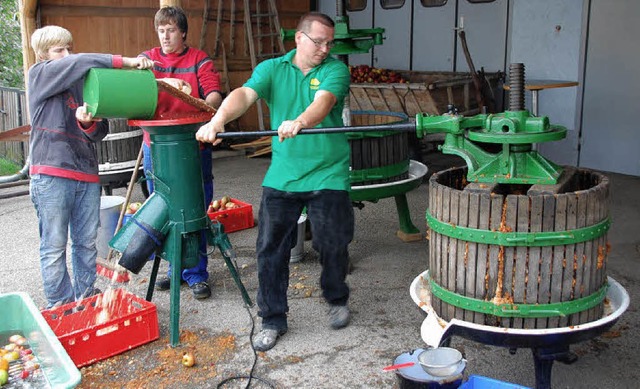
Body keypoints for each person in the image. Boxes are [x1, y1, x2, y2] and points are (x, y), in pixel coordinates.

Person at [196, 12, 354, 351]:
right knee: (270, 247)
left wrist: (300, 120)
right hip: (284, 174)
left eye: (330, 43)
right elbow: (245, 94)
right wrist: (219, 119)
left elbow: (322, 102)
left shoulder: (336, 70)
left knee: (332, 243)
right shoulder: (272, 69)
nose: (325, 49)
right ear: (298, 39)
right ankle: (272, 318)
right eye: (319, 42)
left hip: (329, 171)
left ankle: (336, 296)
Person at [27, 25, 154, 308]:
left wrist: (87, 122)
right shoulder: (39, 75)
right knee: (54, 246)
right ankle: (62, 307)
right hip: (52, 173)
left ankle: (86, 299)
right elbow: (81, 61)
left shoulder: (81, 84)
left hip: (85, 173)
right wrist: (126, 62)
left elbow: (100, 132)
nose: (67, 54)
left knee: (86, 243)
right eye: (60, 50)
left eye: (69, 48)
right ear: (43, 55)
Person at [139, 6, 223, 300]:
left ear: (183, 32)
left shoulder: (199, 59)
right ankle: (176, 269)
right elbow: (137, 89)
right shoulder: (147, 60)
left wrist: (211, 111)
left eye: (171, 30)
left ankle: (196, 272)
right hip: (156, 145)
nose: (165, 36)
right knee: (163, 209)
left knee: (194, 207)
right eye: (161, 30)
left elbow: (213, 93)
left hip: (192, 142)